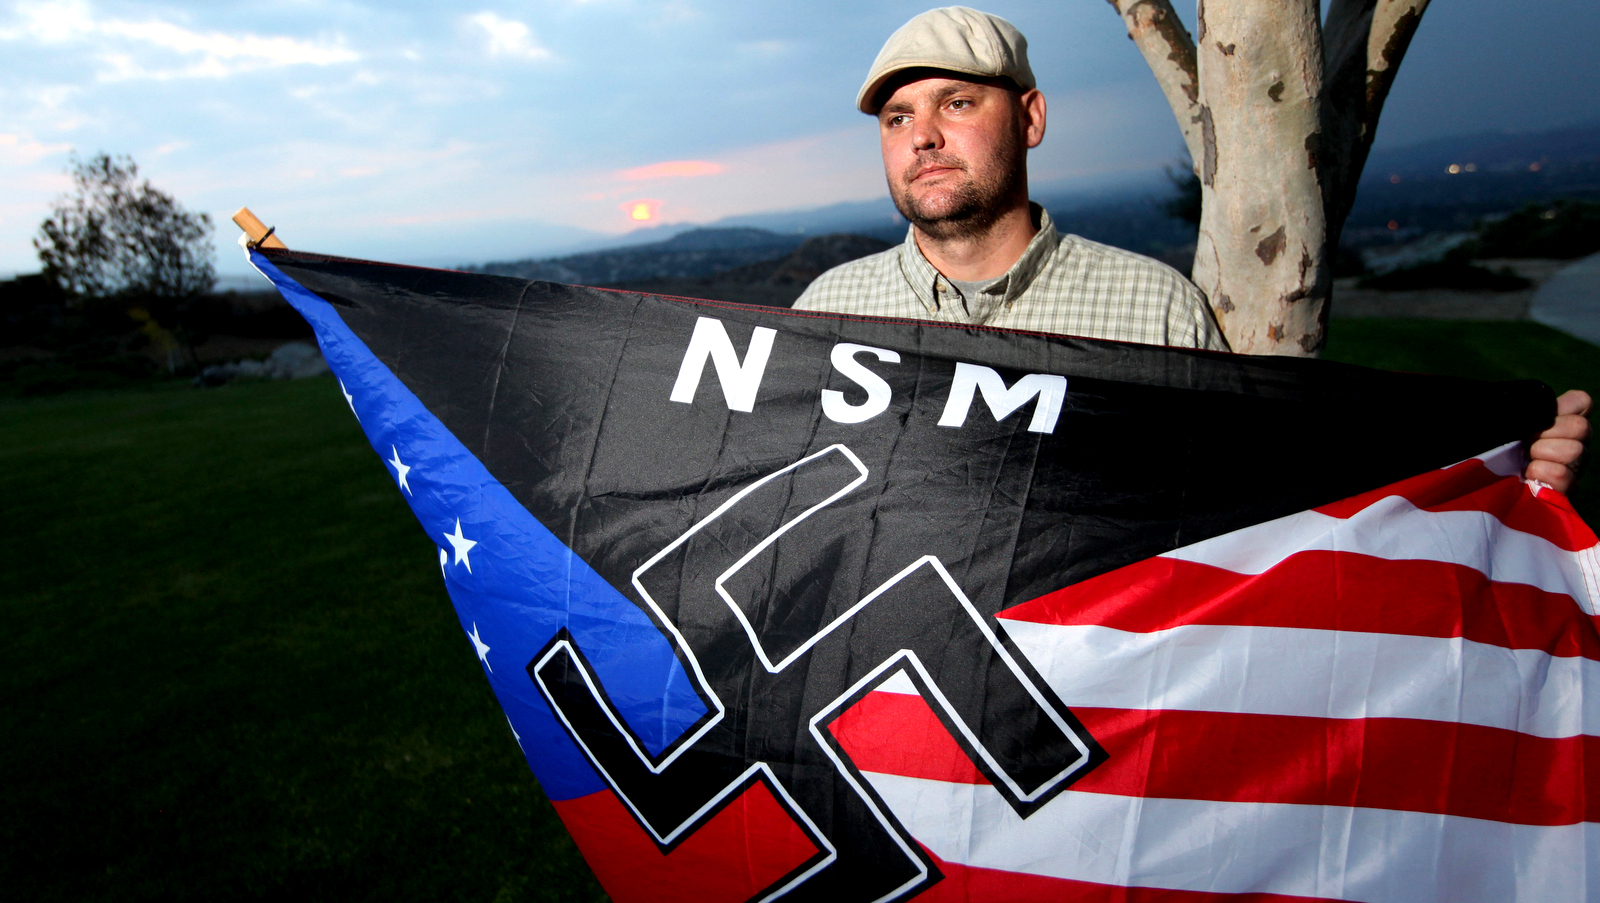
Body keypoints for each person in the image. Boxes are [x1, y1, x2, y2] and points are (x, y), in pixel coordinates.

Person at [794, 5, 1588, 493]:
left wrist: (1493, 464)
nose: (923, 136)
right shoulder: (822, 315)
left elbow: (1248, 504)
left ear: (1030, 119)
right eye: (897, 118)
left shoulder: (1153, 307)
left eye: (957, 102)